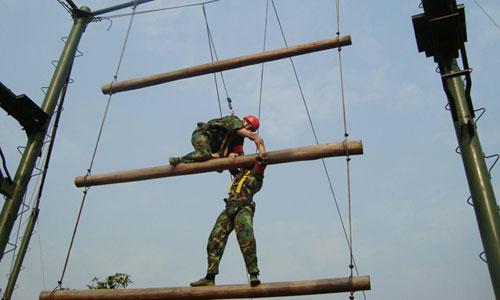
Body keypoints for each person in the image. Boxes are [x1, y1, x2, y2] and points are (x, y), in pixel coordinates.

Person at [190, 158, 267, 287]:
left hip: (243, 207)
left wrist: (258, 141)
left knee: (245, 237)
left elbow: (263, 157)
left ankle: (253, 273)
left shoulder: (256, 174)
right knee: (215, 239)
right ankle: (210, 277)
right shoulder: (238, 174)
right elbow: (228, 160)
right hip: (229, 208)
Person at [169, 115, 266, 166]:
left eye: (251, 128)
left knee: (223, 158)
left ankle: (212, 156)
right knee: (204, 154)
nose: (247, 127)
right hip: (203, 135)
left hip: (212, 146)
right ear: (244, 120)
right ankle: (179, 160)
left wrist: (236, 155)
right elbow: (240, 130)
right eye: (248, 123)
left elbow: (239, 152)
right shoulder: (234, 120)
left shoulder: (239, 139)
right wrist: (255, 137)